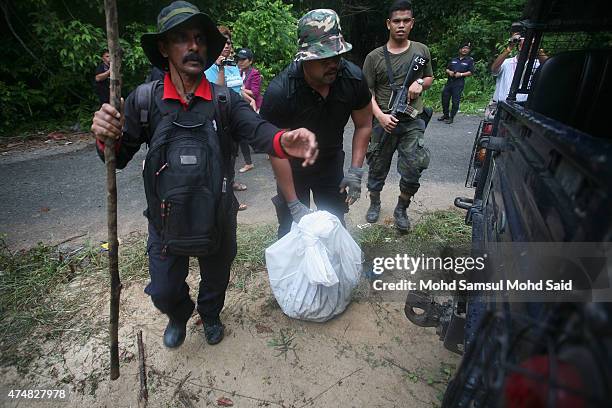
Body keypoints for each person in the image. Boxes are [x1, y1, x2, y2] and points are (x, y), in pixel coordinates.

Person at [90, 1, 318, 349]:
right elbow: (117, 158)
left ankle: (210, 314)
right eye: (182, 38)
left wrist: (284, 139)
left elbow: (258, 132)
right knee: (164, 290)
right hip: (166, 220)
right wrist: (105, 134)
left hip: (218, 216)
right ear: (164, 47)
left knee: (216, 277)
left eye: (199, 38)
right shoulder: (143, 100)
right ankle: (179, 313)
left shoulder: (225, 101)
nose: (193, 46)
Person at [259, 9, 373, 238]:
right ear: (305, 57)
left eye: (337, 56)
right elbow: (275, 150)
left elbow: (364, 124)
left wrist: (356, 171)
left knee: (334, 225)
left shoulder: (353, 79)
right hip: (292, 168)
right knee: (291, 230)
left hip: (330, 163)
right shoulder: (281, 91)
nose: (332, 64)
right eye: (323, 58)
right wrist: (292, 203)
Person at [362, 0, 434, 232]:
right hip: (384, 121)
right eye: (396, 21)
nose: (401, 25)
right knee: (376, 166)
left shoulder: (421, 51)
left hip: (412, 121)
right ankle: (375, 202)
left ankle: (401, 208)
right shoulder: (374, 57)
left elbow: (430, 77)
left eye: (405, 21)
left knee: (414, 168)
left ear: (412, 23)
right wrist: (381, 117)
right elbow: (367, 93)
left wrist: (420, 83)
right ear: (388, 24)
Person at [205, 26, 249, 206]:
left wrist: (248, 99)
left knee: (232, 153)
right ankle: (226, 197)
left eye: (229, 42)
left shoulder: (232, 64)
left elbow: (238, 87)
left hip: (234, 117)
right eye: (222, 43)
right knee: (220, 154)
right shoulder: (208, 67)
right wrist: (220, 68)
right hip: (218, 118)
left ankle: (230, 183)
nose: (226, 46)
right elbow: (218, 92)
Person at [486, 30, 547, 120]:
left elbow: (548, 65)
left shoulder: (536, 64)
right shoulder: (507, 62)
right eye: (523, 45)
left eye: (530, 45)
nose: (526, 47)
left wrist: (536, 49)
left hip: (524, 107)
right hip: (501, 105)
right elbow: (494, 69)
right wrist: (509, 48)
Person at [236, 47, 262, 173]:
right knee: (243, 135)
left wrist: (240, 88)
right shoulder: (238, 72)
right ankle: (249, 162)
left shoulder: (254, 73)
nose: (240, 62)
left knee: (252, 135)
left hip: (254, 107)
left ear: (250, 61)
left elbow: (255, 93)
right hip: (243, 106)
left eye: (243, 59)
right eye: (239, 59)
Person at [438, 43, 474, 124]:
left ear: (469, 50)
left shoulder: (469, 60)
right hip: (449, 82)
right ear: (460, 50)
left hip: (459, 83)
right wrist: (450, 72)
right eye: (463, 48)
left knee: (455, 101)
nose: (465, 50)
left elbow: (471, 72)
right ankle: (445, 115)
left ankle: (451, 117)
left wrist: (461, 74)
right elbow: (447, 69)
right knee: (445, 99)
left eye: (467, 48)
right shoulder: (454, 59)